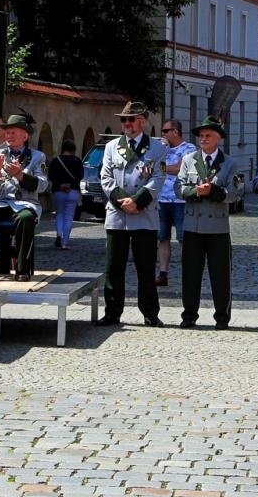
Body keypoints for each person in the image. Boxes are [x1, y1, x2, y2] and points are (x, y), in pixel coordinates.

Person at [98, 101, 164, 323]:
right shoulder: (111, 147)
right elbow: (105, 178)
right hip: (118, 215)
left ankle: (150, 313)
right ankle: (112, 312)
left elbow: (158, 179)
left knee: (146, 268)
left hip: (144, 214)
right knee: (114, 268)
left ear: (142, 121)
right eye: (123, 120)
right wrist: (122, 201)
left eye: (131, 119)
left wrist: (137, 201)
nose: (126, 124)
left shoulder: (157, 148)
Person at [178, 117, 239, 329]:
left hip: (218, 227)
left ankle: (222, 317)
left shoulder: (230, 163)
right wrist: (196, 191)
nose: (203, 139)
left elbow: (235, 193)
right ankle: (189, 315)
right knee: (190, 274)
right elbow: (179, 188)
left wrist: (213, 191)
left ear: (218, 138)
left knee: (220, 274)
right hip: (193, 224)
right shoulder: (189, 160)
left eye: (208, 135)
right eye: (201, 135)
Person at [0, 112, 48, 282]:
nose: (9, 136)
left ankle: (22, 269)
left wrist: (20, 175)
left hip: (24, 203)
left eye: (13, 132)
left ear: (25, 135)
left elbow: (43, 185)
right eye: (7, 132)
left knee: (26, 218)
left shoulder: (37, 157)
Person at [155, 120, 195, 287]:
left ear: (176, 132)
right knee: (162, 238)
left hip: (180, 200)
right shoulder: (161, 149)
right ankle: (162, 274)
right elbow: (151, 165)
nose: (163, 134)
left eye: (166, 131)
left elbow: (181, 168)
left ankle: (189, 272)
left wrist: (162, 168)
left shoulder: (189, 149)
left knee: (183, 238)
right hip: (161, 200)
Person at [49, 139, 84, 250]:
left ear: (63, 149)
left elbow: (51, 175)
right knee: (69, 217)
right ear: (73, 150)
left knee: (59, 214)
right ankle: (64, 243)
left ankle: (59, 235)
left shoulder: (56, 160)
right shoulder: (77, 160)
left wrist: (60, 184)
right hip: (73, 191)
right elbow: (81, 176)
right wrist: (70, 184)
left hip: (59, 191)